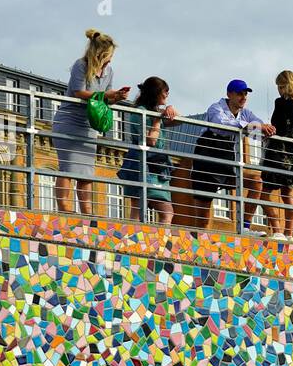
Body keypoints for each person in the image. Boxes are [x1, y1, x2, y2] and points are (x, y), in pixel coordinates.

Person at [52, 29, 130, 216]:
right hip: (70, 120)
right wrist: (106, 95)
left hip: (88, 124)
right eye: (108, 56)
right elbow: (79, 92)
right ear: (99, 54)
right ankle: (65, 208)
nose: (110, 60)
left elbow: (105, 100)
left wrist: (117, 97)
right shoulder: (81, 65)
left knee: (86, 171)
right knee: (68, 166)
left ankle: (86, 210)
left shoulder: (109, 71)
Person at [183, 79, 275, 231]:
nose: (244, 97)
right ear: (229, 94)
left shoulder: (245, 113)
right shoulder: (215, 108)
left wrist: (266, 128)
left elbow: (257, 128)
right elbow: (223, 126)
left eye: (245, 94)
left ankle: (244, 226)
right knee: (203, 220)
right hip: (207, 164)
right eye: (240, 94)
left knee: (256, 181)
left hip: (227, 164)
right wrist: (253, 127)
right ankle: (198, 248)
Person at [117, 76, 178, 224]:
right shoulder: (141, 112)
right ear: (155, 92)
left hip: (156, 167)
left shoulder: (153, 110)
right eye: (165, 91)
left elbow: (177, 122)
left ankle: (158, 244)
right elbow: (151, 141)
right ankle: (139, 242)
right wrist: (157, 119)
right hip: (143, 164)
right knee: (141, 208)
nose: (167, 94)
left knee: (162, 211)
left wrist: (171, 110)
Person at [261, 70, 293, 242]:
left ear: (284, 86)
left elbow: (275, 126)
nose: (278, 90)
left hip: (278, 152)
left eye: (279, 86)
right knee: (288, 195)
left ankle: (278, 230)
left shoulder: (279, 103)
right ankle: (289, 233)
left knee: (265, 194)